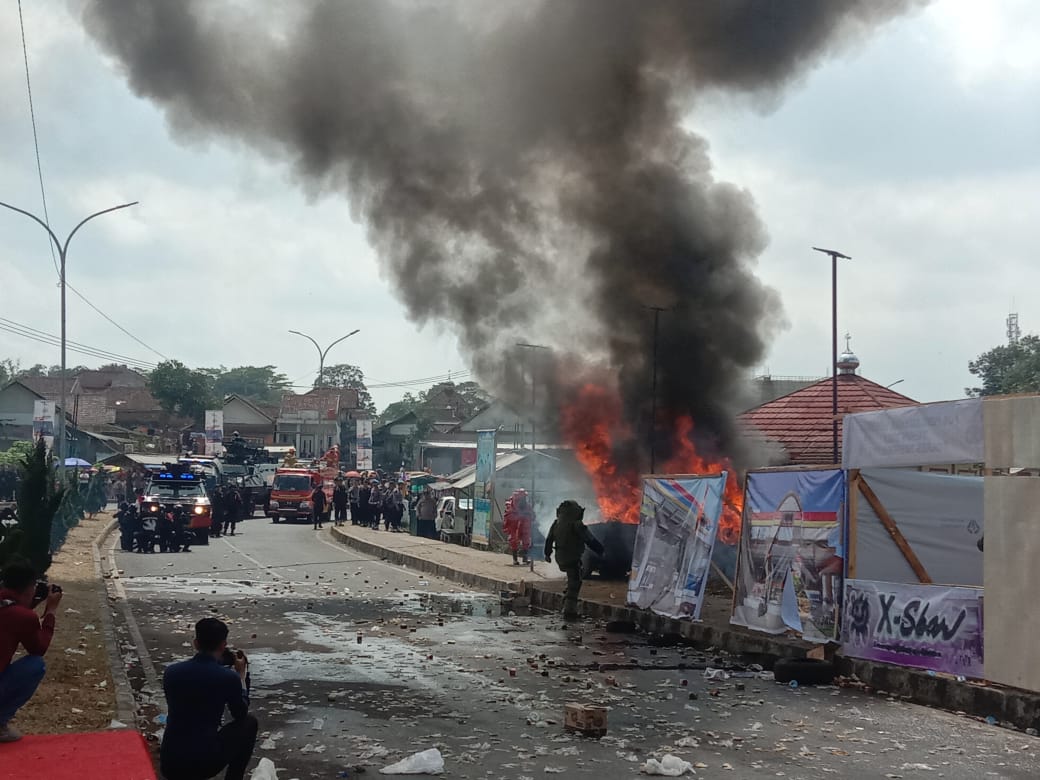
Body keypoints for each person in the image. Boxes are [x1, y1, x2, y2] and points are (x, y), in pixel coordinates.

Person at [160, 618, 258, 780]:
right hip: (202, 763)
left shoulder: (172, 672)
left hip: (171, 762)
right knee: (249, 722)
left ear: (195, 643)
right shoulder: (228, 677)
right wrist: (241, 676)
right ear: (223, 645)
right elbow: (240, 713)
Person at [0, 562, 62, 741]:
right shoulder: (23, 616)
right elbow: (38, 648)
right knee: (35, 665)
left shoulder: (13, 609)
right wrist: (50, 611)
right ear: (29, 588)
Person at [544, 500, 604, 621]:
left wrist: (547, 554)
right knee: (575, 584)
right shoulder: (576, 525)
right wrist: (600, 550)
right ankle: (569, 611)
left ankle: (567, 601)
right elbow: (589, 539)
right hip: (571, 557)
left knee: (576, 575)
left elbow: (549, 540)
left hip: (560, 557)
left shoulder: (556, 523)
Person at [504, 489, 534, 565]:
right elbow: (508, 517)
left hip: (524, 524)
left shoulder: (527, 506)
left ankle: (525, 558)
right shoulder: (511, 507)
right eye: (523, 497)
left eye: (525, 497)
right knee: (514, 540)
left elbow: (531, 514)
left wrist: (529, 517)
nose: (524, 499)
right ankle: (515, 559)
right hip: (514, 526)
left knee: (526, 539)